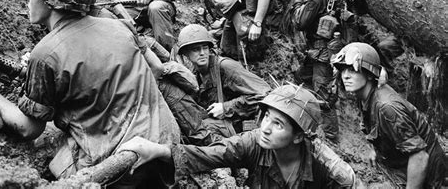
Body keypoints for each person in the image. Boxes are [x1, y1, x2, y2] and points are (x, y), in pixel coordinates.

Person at [0, 0, 180, 187]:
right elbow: (154, 68)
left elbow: (29, 128)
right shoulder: (118, 26)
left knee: (46, 147)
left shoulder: (46, 53)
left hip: (120, 168)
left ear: (50, 1)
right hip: (167, 146)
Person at [117, 84, 358, 188]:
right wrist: (157, 150)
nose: (265, 127)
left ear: (298, 136)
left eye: (278, 124)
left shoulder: (331, 170)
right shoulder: (253, 142)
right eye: (265, 118)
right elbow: (209, 154)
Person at [332, 42, 447, 188]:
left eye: (352, 70)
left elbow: (420, 157)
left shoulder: (387, 107)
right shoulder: (364, 96)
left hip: (431, 178)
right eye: (343, 71)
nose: (345, 76)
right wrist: (374, 149)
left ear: (369, 74)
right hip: (404, 166)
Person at [175, 24, 271, 134]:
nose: (202, 53)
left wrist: (226, 108)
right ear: (186, 53)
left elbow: (266, 95)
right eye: (196, 49)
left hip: (241, 130)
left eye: (205, 48)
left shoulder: (225, 67)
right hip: (222, 128)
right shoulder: (195, 74)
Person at [290, 0, 342, 141]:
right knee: (300, 81)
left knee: (324, 97)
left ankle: (331, 139)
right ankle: (300, 121)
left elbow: (299, 22)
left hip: (323, 53)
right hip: (316, 51)